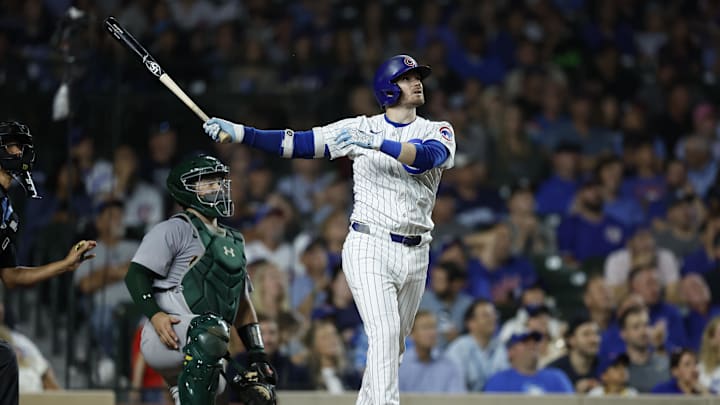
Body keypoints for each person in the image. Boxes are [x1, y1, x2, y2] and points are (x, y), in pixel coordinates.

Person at [203, 54, 456, 405]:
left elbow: (427, 158)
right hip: (370, 243)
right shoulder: (359, 127)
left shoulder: (437, 129)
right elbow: (299, 143)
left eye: (417, 76)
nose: (417, 82)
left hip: (417, 251)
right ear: (387, 89)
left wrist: (377, 143)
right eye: (406, 77)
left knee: (393, 347)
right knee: (383, 335)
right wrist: (241, 132)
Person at [123, 154, 276, 405]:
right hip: (167, 334)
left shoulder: (235, 239)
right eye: (208, 182)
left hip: (208, 346)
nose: (217, 187)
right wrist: (155, 314)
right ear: (186, 190)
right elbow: (136, 274)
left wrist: (258, 353)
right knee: (211, 330)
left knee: (262, 395)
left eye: (218, 181)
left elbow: (243, 304)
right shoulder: (174, 228)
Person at [0, 121, 96, 405]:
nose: (20, 154)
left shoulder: (7, 208)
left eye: (23, 149)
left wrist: (63, 266)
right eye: (13, 148)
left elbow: (11, 277)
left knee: (5, 359)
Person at [483, 331, 574, 394]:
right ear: (510, 351)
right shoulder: (498, 380)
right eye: (525, 342)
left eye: (535, 342)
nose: (532, 345)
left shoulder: (557, 378)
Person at [397, 310, 465, 393]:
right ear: (411, 333)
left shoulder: (450, 364)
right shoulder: (400, 364)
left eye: (433, 327)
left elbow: (457, 399)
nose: (431, 333)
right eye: (425, 328)